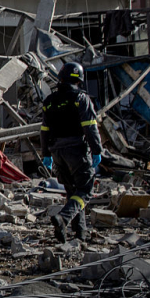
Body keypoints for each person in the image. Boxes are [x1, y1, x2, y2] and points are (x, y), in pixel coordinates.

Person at [40, 62, 103, 243]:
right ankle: (64, 218)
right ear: (80, 80)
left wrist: (46, 155)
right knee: (86, 189)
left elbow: (44, 131)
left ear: (60, 78)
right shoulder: (81, 98)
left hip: (57, 152)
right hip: (76, 150)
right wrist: (97, 150)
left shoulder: (49, 101)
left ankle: (79, 234)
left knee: (72, 192)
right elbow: (90, 128)